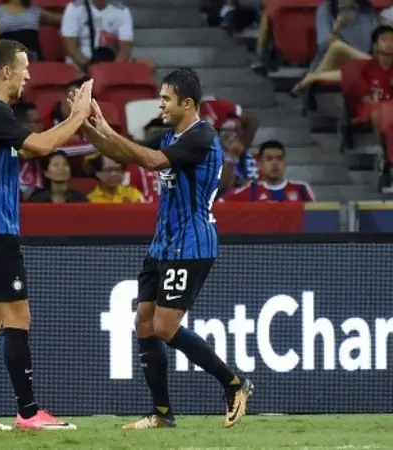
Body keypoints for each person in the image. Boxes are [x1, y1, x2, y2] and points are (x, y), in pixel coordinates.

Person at [76, 68, 253, 430]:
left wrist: (106, 127)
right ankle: (161, 412)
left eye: (166, 99)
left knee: (165, 327)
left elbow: (152, 161)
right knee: (143, 322)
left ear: (187, 104)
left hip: (191, 244)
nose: (160, 105)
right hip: (163, 244)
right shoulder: (173, 134)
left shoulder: (202, 136)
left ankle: (234, 384)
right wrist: (87, 126)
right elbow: (126, 155)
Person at [0, 38, 93, 431]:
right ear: (5, 72)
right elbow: (41, 144)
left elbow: (29, 151)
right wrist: (77, 116)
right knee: (19, 317)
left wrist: (68, 123)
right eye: (24, 69)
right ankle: (29, 413)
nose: (29, 76)